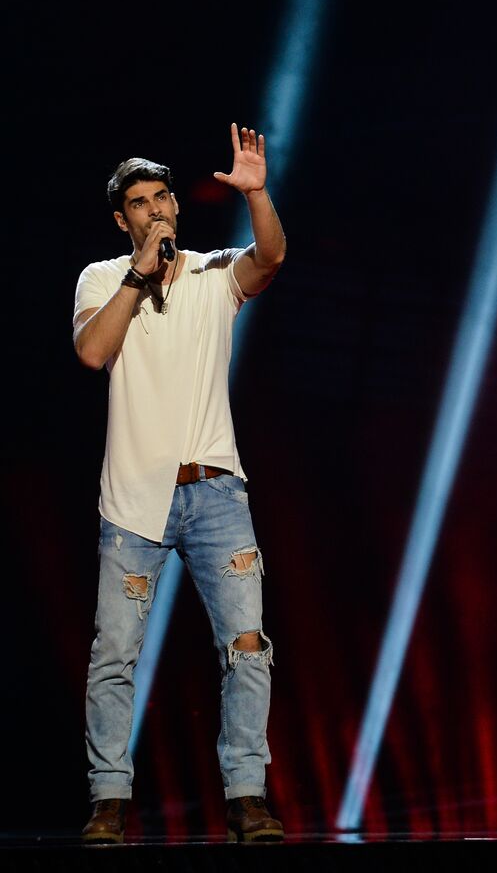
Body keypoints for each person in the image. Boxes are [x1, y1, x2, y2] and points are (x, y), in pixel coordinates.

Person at [72, 124, 287, 843]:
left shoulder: (209, 272)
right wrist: (139, 274)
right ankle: (109, 799)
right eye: (140, 200)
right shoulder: (103, 278)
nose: (156, 207)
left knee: (247, 647)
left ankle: (247, 795)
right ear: (121, 218)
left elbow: (270, 259)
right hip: (134, 499)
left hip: (216, 492)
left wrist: (256, 194)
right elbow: (93, 352)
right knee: (114, 656)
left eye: (162, 195)